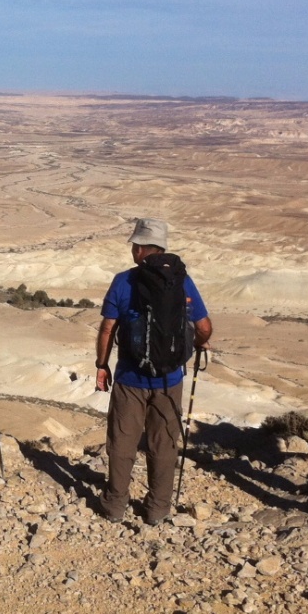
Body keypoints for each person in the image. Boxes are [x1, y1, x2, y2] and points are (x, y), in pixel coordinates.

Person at [95, 218, 213, 525]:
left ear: (141, 248)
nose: (133, 250)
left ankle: (115, 505)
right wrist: (198, 344)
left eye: (135, 245)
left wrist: (101, 365)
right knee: (163, 444)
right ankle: (158, 508)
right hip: (169, 380)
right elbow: (204, 327)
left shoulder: (123, 281)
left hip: (130, 378)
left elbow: (108, 329)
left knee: (122, 441)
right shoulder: (182, 281)